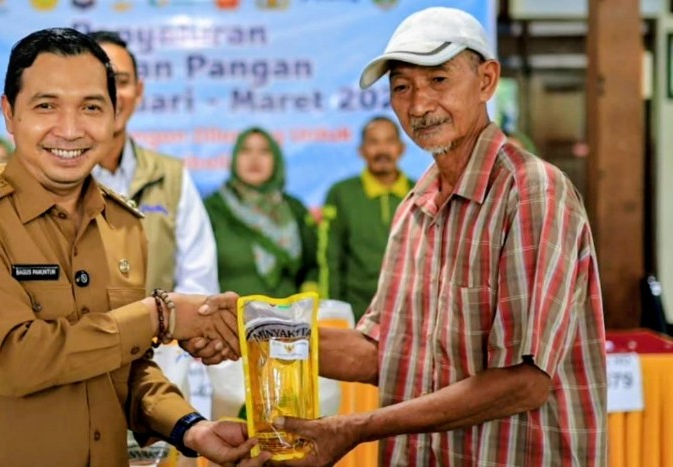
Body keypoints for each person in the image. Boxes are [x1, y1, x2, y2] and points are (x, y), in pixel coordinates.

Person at [190, 7, 607, 466]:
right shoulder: (415, 208)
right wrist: (252, 329)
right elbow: (380, 353)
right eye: (402, 87)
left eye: (438, 80)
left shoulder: (531, 192)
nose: (419, 105)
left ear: (487, 81)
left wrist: (354, 428)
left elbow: (525, 382)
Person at [0, 28, 267, 467]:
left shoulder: (123, 224)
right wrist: (162, 315)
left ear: (115, 115)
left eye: (91, 107)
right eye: (46, 106)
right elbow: (16, 360)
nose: (69, 129)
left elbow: (123, 365)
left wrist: (191, 428)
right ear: (9, 113)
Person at [89, 31, 219, 298]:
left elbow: (199, 284)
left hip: (162, 327)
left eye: (121, 82)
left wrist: (156, 320)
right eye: (99, 82)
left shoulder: (171, 177)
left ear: (139, 92)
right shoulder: (53, 176)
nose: (111, 94)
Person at [204, 127, 318, 298]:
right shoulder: (213, 208)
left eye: (264, 151)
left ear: (276, 160)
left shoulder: (294, 208)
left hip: (287, 312)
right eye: (245, 151)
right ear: (234, 158)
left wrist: (310, 292)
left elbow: (314, 266)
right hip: (229, 312)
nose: (254, 159)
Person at [319, 115, 413, 321]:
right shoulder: (342, 193)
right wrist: (331, 312)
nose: (382, 150)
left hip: (410, 312)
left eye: (389, 141)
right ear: (361, 150)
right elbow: (330, 259)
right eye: (373, 142)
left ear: (402, 148)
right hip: (356, 313)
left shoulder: (420, 191)